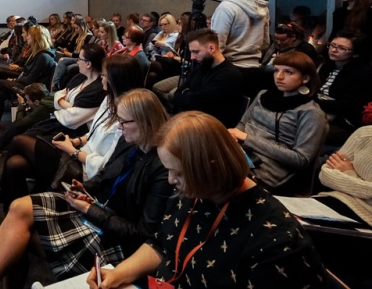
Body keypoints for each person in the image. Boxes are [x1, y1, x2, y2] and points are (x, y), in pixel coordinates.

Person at [87, 111, 327, 289]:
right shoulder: (196, 191)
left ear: (211, 168)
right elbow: (162, 243)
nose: (170, 180)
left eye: (178, 173)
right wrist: (119, 274)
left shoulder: (278, 242)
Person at [0, 89, 172, 289]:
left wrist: (89, 209)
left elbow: (141, 233)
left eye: (124, 122)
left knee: (19, 237)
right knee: (17, 207)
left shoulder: (162, 169)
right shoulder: (128, 142)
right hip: (98, 209)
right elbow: (105, 175)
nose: (119, 127)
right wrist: (86, 188)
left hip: (116, 237)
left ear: (145, 122)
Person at [0, 53, 143, 208]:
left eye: (105, 75)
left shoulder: (127, 119)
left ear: (116, 80)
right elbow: (92, 131)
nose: (101, 77)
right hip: (78, 151)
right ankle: (13, 206)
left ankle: (1, 191)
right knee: (15, 164)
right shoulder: (109, 100)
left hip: (86, 170)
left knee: (18, 140)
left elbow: (105, 167)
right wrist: (76, 141)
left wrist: (73, 151)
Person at [0, 42, 106, 157]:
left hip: (69, 128)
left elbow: (70, 119)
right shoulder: (80, 77)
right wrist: (67, 104)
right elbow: (59, 94)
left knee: (22, 131)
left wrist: (61, 103)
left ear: (88, 64)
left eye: (80, 59)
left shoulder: (98, 89)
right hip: (55, 114)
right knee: (1, 92)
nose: (77, 62)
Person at [228, 51, 327, 194]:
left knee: (212, 176)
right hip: (240, 153)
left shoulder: (311, 113)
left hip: (268, 169)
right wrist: (235, 139)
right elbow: (243, 124)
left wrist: (247, 139)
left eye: (288, 72)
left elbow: (301, 159)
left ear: (305, 78)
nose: (279, 77)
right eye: (276, 70)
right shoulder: (263, 95)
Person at [0, 25, 57, 137]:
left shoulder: (43, 56)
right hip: (28, 84)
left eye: (29, 35)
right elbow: (27, 72)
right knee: (0, 93)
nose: (27, 37)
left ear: (35, 38)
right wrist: (17, 78)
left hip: (33, 90)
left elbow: (30, 79)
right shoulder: (38, 53)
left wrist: (15, 79)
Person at [158, 28, 244, 127]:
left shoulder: (229, 75)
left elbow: (197, 103)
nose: (192, 57)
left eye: (196, 52)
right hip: (191, 120)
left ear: (211, 48)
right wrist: (189, 96)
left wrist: (187, 94)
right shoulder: (201, 67)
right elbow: (178, 94)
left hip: (209, 127)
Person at [210, 0, 270, 96]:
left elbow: (217, 45)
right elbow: (265, 42)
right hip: (254, 69)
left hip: (230, 69)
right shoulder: (262, 8)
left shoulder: (226, 7)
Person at [316, 31, 372, 145]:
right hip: (319, 111)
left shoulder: (363, 73)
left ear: (355, 53)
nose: (333, 50)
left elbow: (345, 105)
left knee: (302, 129)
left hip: (343, 122)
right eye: (332, 45)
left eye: (341, 48)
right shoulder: (326, 65)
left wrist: (312, 101)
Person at [315, 125, 372, 227]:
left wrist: (349, 173)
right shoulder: (365, 133)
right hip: (335, 198)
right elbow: (325, 174)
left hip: (366, 214)